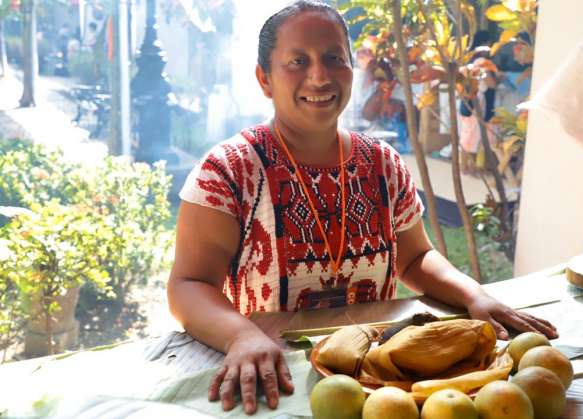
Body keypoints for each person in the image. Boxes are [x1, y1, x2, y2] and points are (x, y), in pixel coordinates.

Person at [167, 1, 557, 415]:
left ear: (353, 69)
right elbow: (188, 284)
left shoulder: (383, 165)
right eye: (298, 61)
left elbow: (416, 258)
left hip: (380, 381)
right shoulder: (228, 172)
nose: (319, 76)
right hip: (271, 373)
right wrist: (240, 337)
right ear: (264, 79)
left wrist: (473, 296)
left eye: (334, 58)